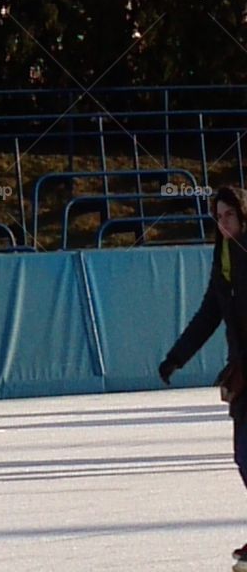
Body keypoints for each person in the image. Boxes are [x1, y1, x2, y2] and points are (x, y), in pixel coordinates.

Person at [159, 185, 247, 568]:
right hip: (243, 372)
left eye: (229, 214)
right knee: (243, 457)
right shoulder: (224, 257)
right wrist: (176, 357)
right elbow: (209, 313)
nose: (222, 222)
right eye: (218, 215)